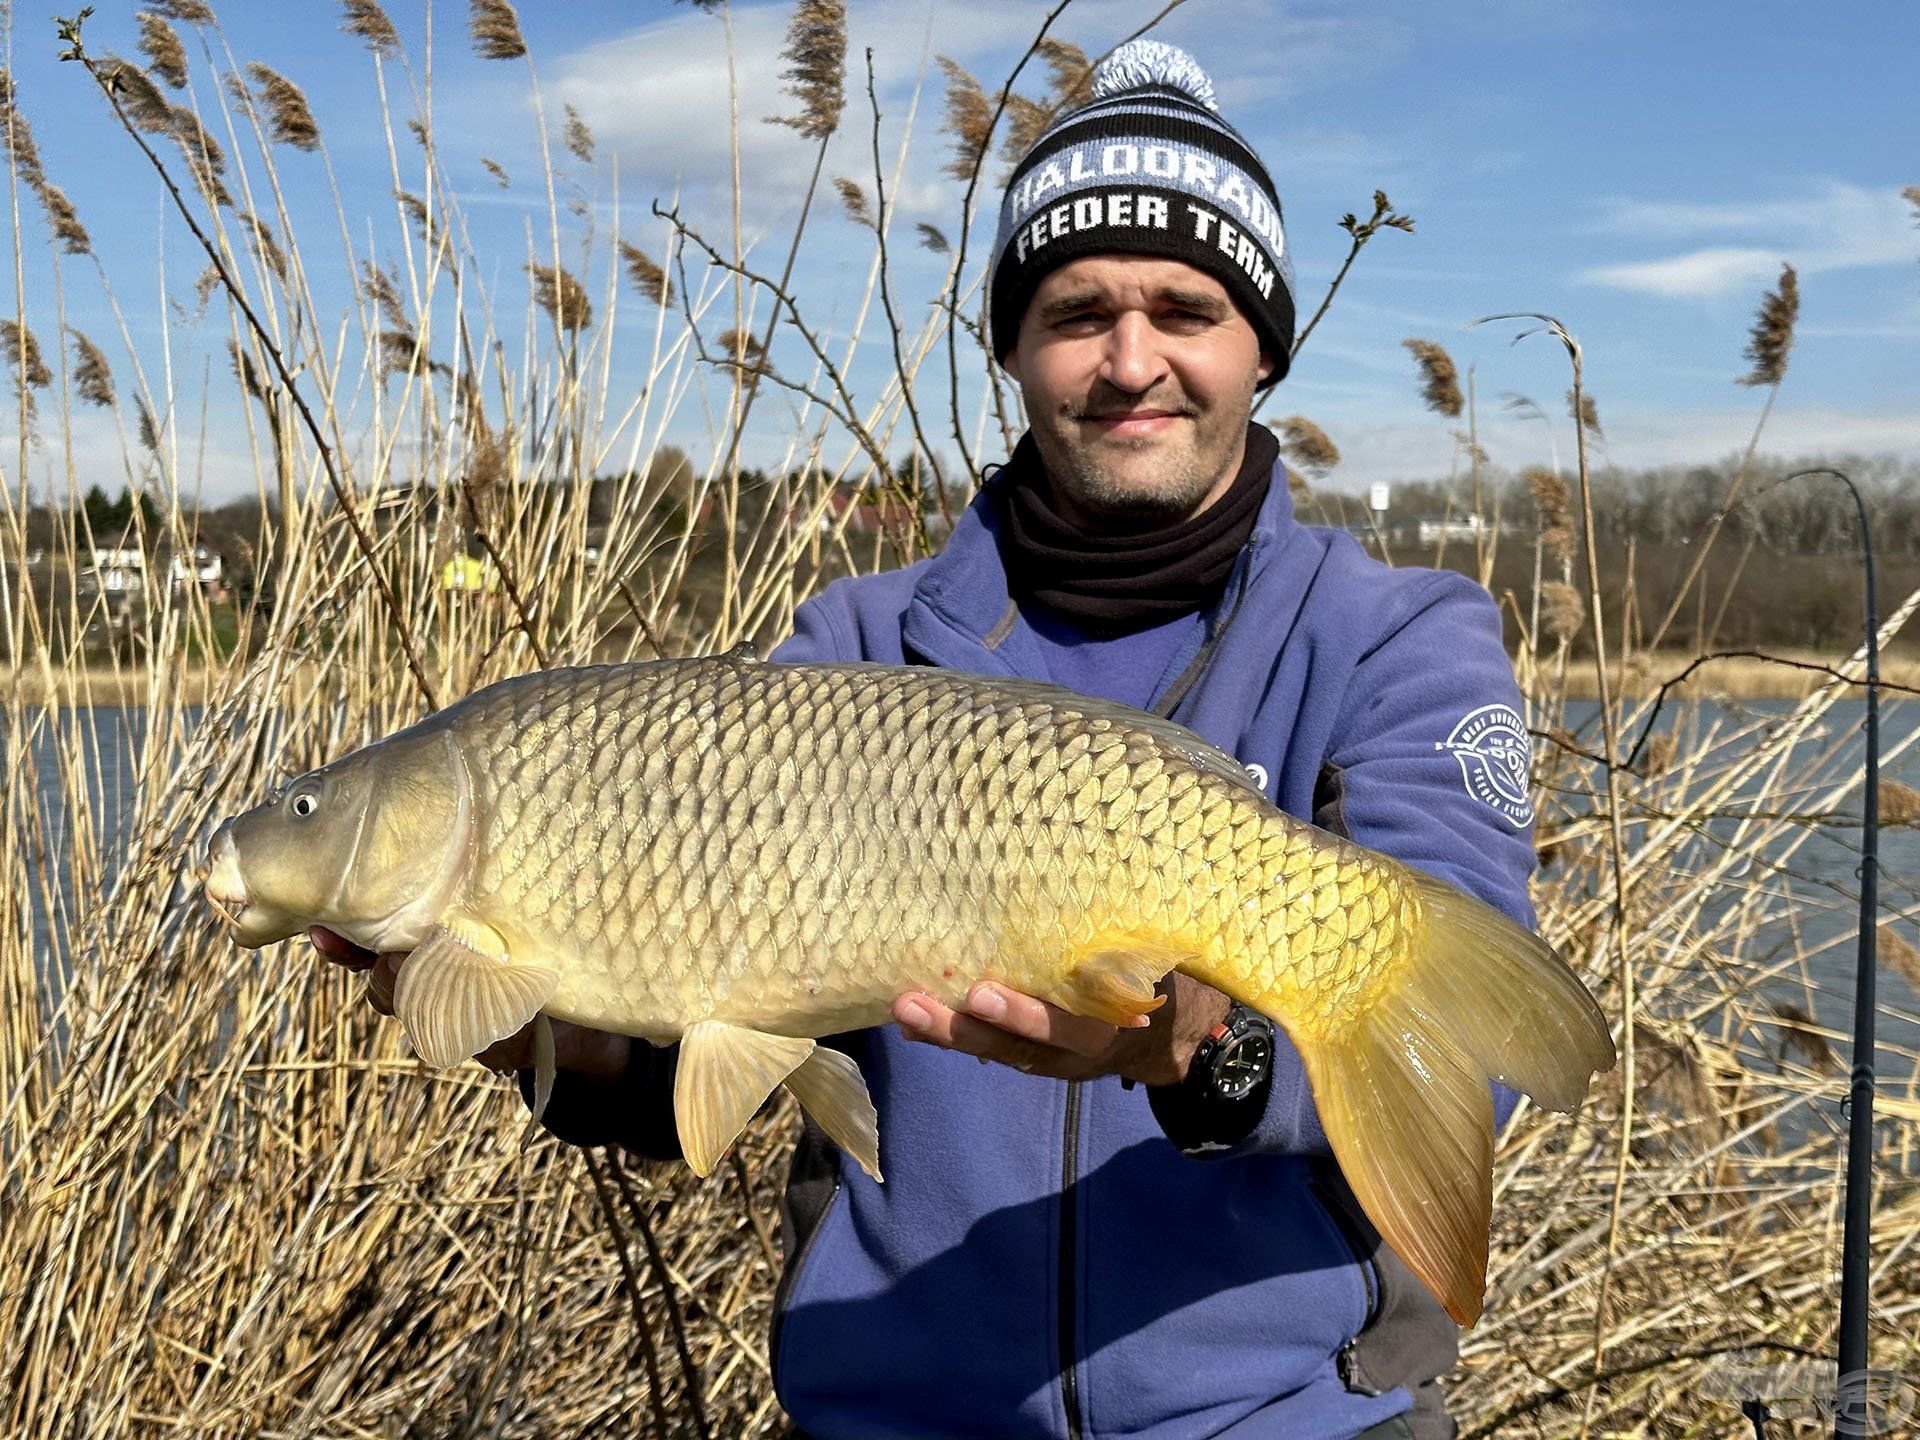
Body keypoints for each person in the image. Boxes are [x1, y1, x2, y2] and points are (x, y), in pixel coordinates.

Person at [315, 40, 1537, 1440]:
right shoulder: (850, 650)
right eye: (1078, 312)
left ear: (1264, 342)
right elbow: (680, 1060)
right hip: (899, 1416)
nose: (1132, 362)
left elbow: (1472, 1058)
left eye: (1185, 310)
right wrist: (529, 1012)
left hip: (1294, 1418)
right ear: (1013, 344)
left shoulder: (1396, 635)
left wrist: (1203, 1058)